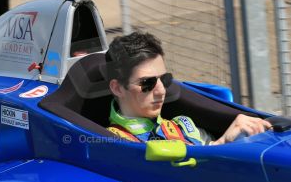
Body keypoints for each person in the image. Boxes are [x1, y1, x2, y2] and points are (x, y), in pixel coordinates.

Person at [105, 31, 272, 145]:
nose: (161, 90)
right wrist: (223, 142)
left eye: (164, 79)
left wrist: (229, 138)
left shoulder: (183, 125)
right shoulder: (113, 141)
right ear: (118, 88)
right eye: (147, 83)